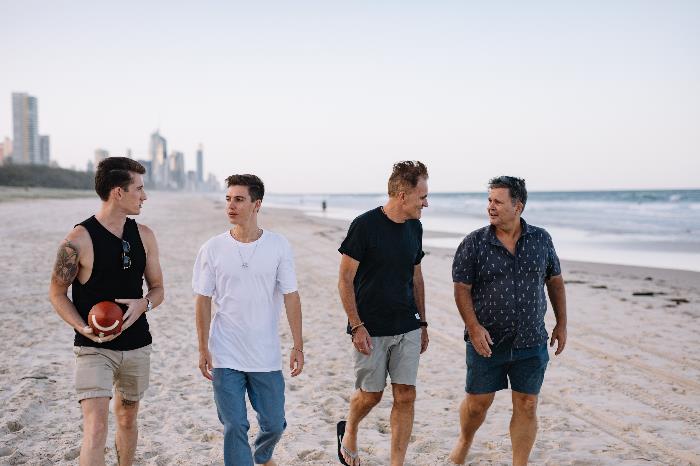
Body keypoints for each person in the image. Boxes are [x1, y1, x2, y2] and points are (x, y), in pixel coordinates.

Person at [48, 157, 164, 466]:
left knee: (127, 418)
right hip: (93, 348)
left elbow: (158, 289)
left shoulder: (144, 235)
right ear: (118, 192)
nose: (145, 196)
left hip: (137, 345)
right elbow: (57, 293)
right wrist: (80, 326)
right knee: (96, 427)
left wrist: (144, 304)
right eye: (139, 188)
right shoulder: (78, 239)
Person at [448, 176, 567, 466]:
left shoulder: (541, 239)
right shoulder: (474, 243)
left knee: (527, 404)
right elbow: (461, 288)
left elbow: (555, 281)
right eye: (489, 200)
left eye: (498, 201)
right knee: (477, 406)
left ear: (518, 206)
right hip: (487, 342)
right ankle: (465, 440)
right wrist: (473, 327)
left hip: (531, 341)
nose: (491, 207)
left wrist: (561, 323)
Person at [193, 174, 304, 466]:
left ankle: (262, 455)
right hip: (225, 352)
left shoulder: (278, 245)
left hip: (264, 355)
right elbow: (203, 300)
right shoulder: (212, 248)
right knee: (235, 426)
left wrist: (298, 344)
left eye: (239, 199)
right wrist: (203, 348)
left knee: (274, 424)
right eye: (228, 199)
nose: (231, 205)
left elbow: (291, 296)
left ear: (257, 204)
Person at [336, 161, 430, 466]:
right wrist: (356, 325)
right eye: (422, 196)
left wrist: (423, 323)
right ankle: (349, 430)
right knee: (371, 395)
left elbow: (416, 277)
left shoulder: (415, 227)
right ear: (403, 195)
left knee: (406, 395)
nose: (426, 203)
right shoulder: (364, 226)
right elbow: (345, 279)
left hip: (407, 325)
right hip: (370, 327)